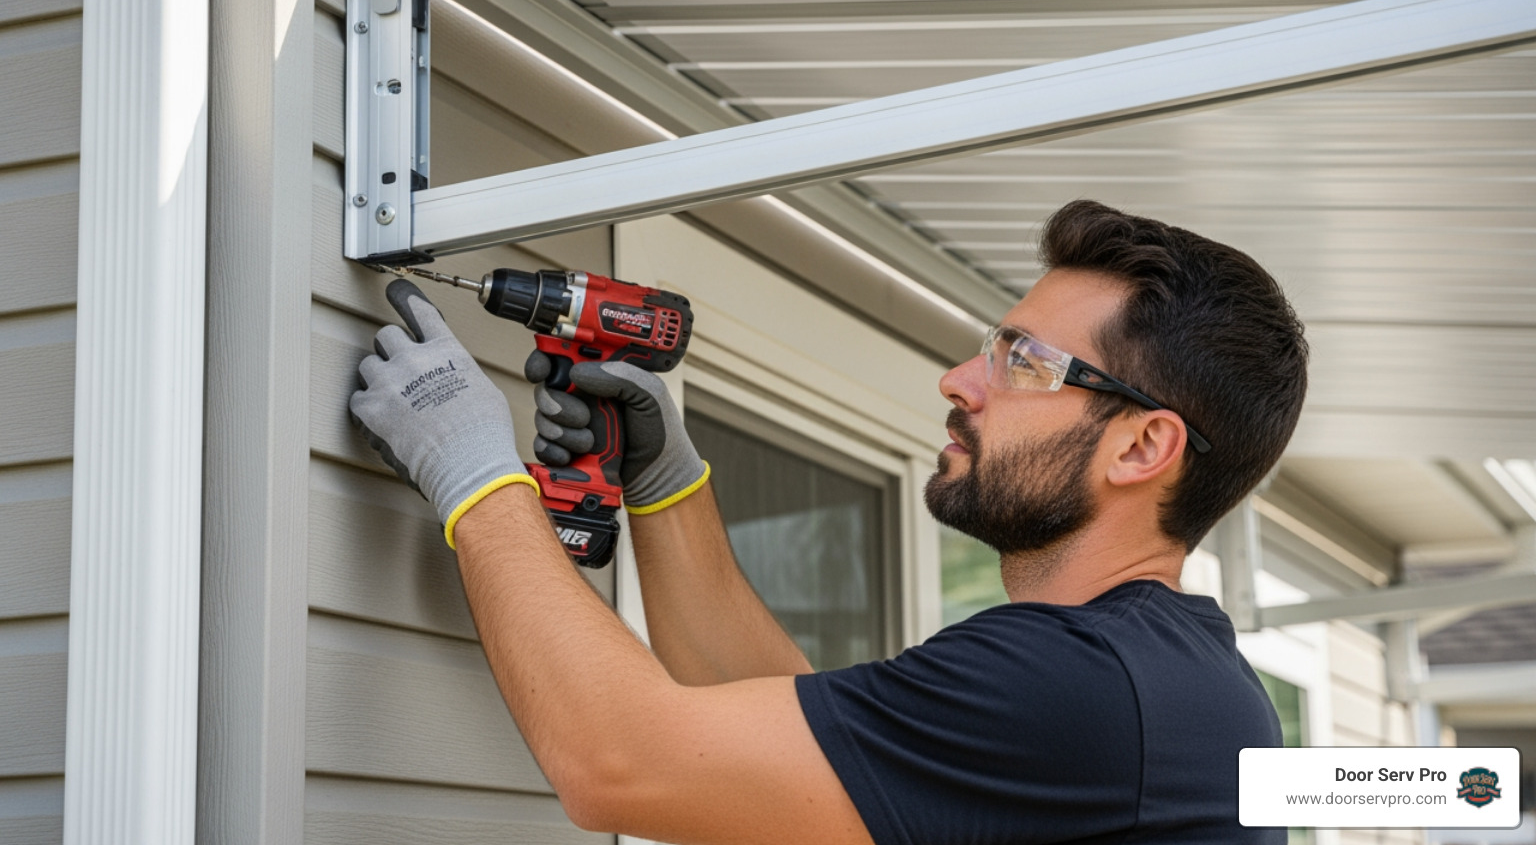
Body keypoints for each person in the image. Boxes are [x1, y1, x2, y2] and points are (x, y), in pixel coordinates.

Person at [350, 199, 1309, 844]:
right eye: (992, 347)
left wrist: (475, 474)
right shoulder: (1161, 673)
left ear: (1142, 448)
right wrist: (667, 489)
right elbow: (828, 756)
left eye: (1024, 363)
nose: (961, 380)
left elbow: (623, 760)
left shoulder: (1086, 687)